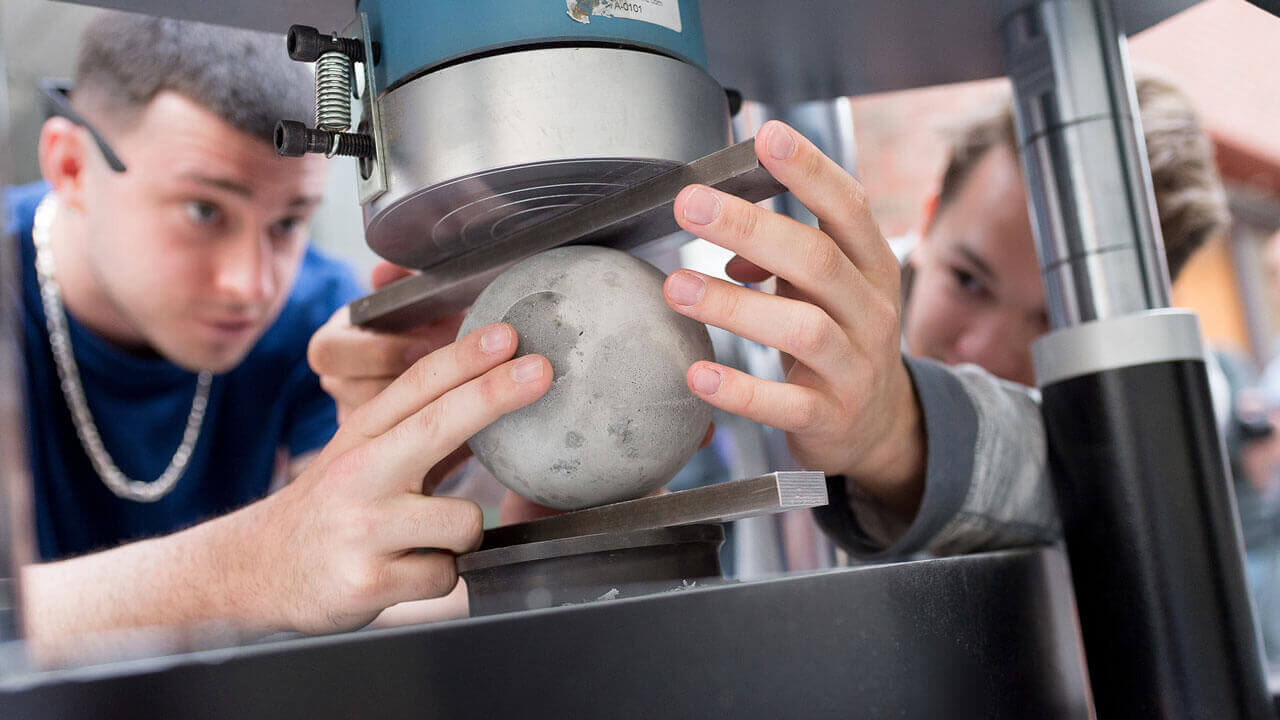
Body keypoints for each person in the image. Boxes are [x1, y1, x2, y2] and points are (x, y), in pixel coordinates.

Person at [312, 72, 1230, 562]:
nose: (982, 346)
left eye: (1046, 324)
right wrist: (436, 442)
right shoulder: (737, 330)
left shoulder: (1181, 438)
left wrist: (897, 433)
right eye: (969, 280)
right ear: (935, 204)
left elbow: (1086, 487)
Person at [9, 14, 553, 663]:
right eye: (203, 211)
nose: (250, 284)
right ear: (71, 167)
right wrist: (254, 563)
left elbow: (368, 598)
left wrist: (531, 541)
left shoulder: (310, 314)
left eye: (289, 222)